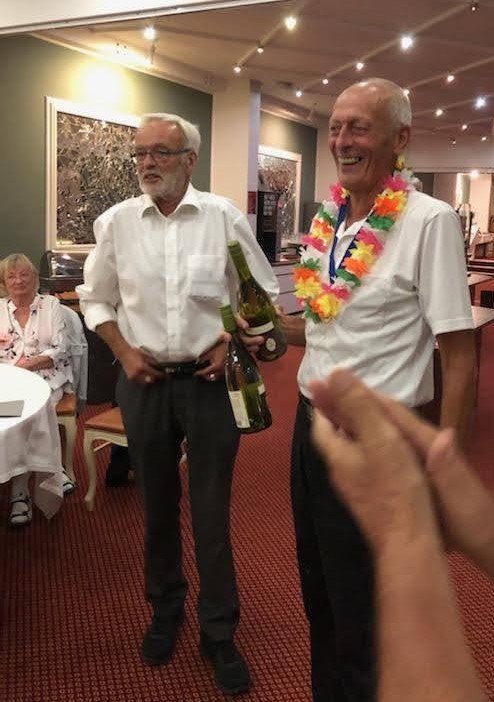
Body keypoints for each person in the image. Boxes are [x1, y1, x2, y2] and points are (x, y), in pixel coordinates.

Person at [258, 78, 476, 701]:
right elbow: (324, 327)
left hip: (380, 440)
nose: (342, 140)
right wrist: (270, 329)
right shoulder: (326, 221)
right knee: (320, 592)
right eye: (335, 127)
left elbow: (460, 356)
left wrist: (444, 468)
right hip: (310, 431)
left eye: (359, 126)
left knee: (366, 613)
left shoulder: (428, 222)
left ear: (400, 139)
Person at [76, 112, 279, 696]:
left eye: (161, 153)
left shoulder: (222, 218)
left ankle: (220, 632)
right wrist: (121, 350)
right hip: (143, 385)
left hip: (210, 385)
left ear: (191, 159)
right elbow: (95, 298)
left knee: (212, 514)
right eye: (139, 153)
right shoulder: (117, 223)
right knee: (157, 507)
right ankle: (166, 612)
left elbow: (260, 293)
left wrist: (232, 339)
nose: (147, 163)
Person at [310, 368, 493, 702]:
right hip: (338, 423)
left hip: (384, 431)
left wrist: (403, 525)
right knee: (328, 601)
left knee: (360, 624)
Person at [0, 253, 75, 527]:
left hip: (47, 375)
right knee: (9, 413)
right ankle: (51, 466)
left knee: (29, 407)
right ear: (4, 283)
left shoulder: (50, 305)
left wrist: (27, 365)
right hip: (8, 380)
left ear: (34, 278)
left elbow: (60, 348)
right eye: (11, 276)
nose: (18, 280)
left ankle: (20, 492)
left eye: (24, 274)